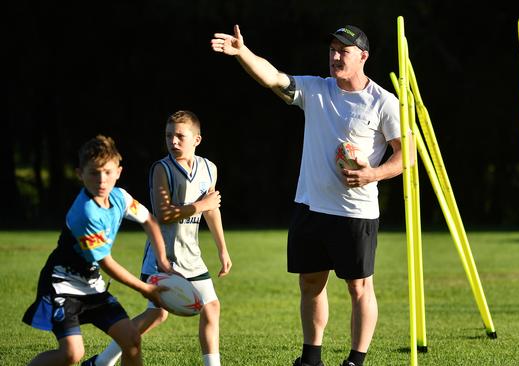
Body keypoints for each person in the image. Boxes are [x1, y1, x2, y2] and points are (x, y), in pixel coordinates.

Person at [211, 25, 408, 366]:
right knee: (311, 283)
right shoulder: (317, 90)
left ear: (363, 56)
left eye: (343, 51)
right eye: (332, 49)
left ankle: (355, 361)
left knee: (359, 288)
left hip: (355, 212)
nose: (334, 57)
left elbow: (406, 156)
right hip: (311, 206)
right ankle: (311, 358)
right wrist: (242, 52)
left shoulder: (383, 102)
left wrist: (371, 174)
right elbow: (273, 78)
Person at [83, 110, 232, 366]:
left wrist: (222, 249)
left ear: (197, 139)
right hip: (162, 257)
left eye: (180, 136)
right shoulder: (161, 169)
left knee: (212, 306)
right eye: (168, 136)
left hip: (191, 255)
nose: (173, 141)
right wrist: (201, 205)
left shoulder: (209, 168)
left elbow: (211, 209)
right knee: (157, 315)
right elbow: (163, 215)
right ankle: (102, 362)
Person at [22, 135, 172, 366]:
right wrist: (146, 289)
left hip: (92, 285)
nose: (102, 180)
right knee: (72, 354)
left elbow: (149, 221)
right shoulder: (85, 212)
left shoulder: (120, 197)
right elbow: (106, 263)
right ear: (80, 174)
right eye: (94, 173)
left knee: (131, 340)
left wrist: (162, 260)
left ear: (118, 172)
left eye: (108, 172)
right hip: (62, 285)